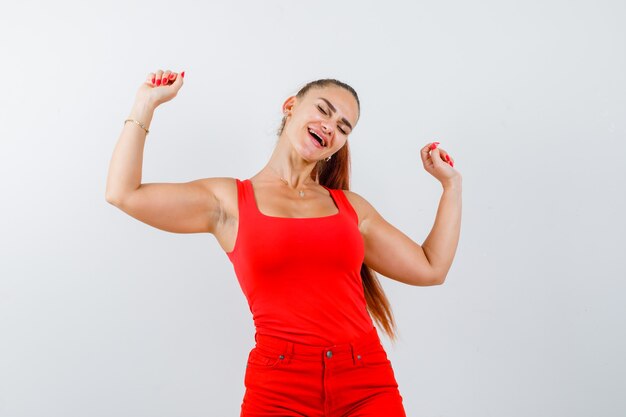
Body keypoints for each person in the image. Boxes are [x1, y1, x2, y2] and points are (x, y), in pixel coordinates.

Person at [105, 69, 462, 416]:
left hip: (365, 382)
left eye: (342, 127)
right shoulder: (228, 201)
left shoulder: (350, 209)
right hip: (280, 387)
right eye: (323, 110)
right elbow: (124, 193)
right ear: (290, 105)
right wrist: (145, 104)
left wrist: (451, 187)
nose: (330, 126)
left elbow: (431, 267)